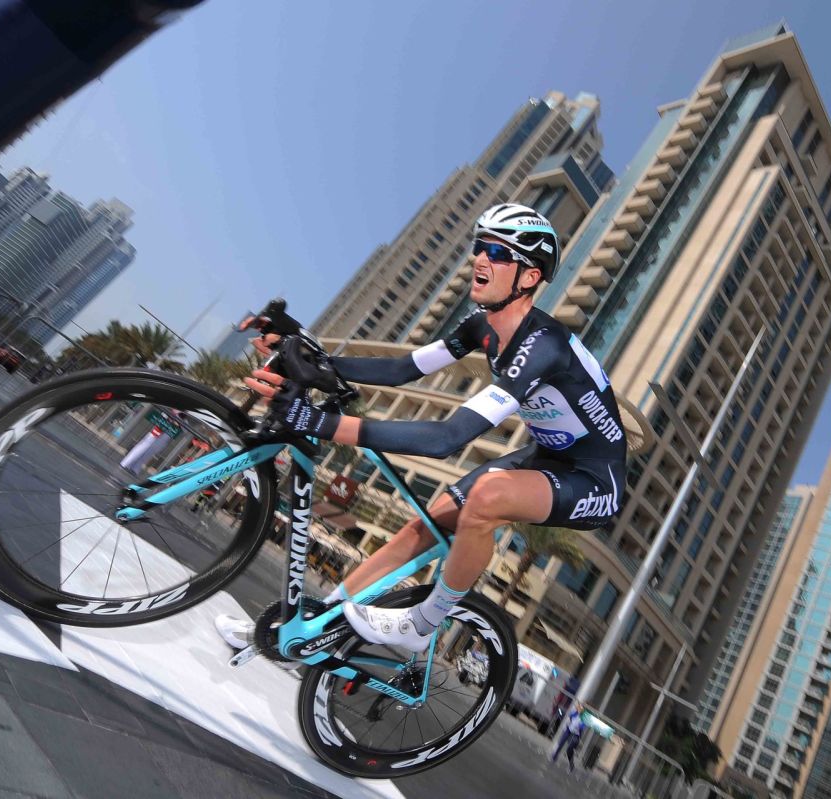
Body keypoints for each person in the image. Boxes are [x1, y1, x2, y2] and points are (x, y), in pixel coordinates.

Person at [215, 203, 627, 654]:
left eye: (497, 252)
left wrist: (317, 422)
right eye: (480, 247)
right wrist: (313, 356)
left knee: (486, 499)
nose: (480, 258)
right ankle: (307, 630)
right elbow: (402, 370)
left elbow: (446, 439)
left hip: (593, 478)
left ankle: (425, 622)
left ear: (529, 277)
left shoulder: (543, 346)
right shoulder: (482, 328)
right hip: (545, 455)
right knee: (422, 526)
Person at [551, 702, 586, 771]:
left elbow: (582, 727)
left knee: (569, 750)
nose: (579, 709)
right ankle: (554, 757)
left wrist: (579, 726)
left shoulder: (584, 718)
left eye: (581, 708)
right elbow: (570, 717)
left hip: (576, 734)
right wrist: (568, 724)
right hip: (569, 730)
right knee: (561, 742)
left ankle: (571, 764)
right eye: (579, 707)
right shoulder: (575, 713)